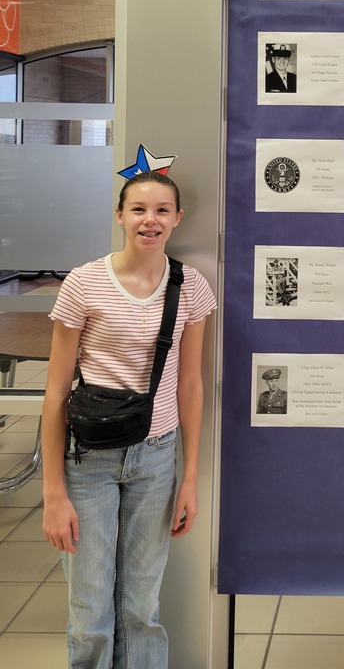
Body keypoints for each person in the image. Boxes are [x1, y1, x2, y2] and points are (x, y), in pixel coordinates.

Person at [41, 169, 216, 669]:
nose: (150, 220)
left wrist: (190, 478)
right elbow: (56, 394)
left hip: (156, 459)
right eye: (138, 209)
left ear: (178, 218)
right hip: (87, 461)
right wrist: (53, 493)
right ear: (119, 215)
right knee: (90, 610)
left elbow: (190, 386)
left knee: (142, 607)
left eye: (162, 210)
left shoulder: (190, 287)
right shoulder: (84, 282)